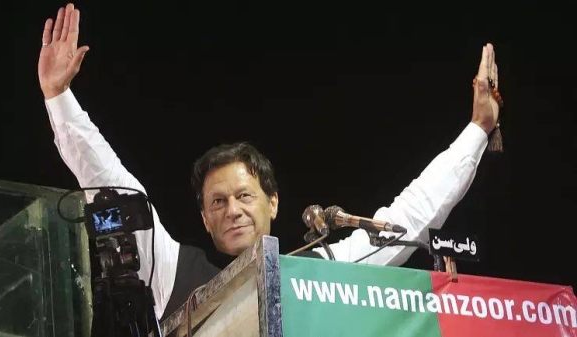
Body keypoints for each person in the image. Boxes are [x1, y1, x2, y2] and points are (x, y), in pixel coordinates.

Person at [38, 2, 502, 327]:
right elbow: (114, 187)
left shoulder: (323, 265)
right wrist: (59, 97)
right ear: (203, 218)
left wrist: (478, 129)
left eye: (244, 196)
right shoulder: (172, 269)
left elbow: (410, 216)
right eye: (217, 202)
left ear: (274, 203)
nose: (232, 210)